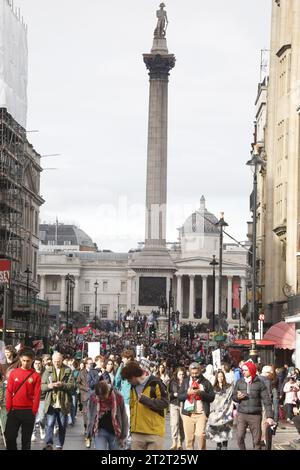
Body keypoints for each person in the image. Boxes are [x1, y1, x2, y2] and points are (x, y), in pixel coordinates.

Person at [121, 359, 169, 450]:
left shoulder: (156, 383)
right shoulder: (133, 386)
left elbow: (165, 403)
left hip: (154, 433)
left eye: (129, 379)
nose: (128, 382)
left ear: (134, 376)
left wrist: (146, 400)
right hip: (137, 433)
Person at [233, 361, 275, 450]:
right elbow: (233, 397)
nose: (243, 372)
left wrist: (269, 416)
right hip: (242, 414)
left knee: (256, 441)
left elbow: (267, 401)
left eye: (245, 370)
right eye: (242, 370)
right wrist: (237, 397)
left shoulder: (260, 383)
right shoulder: (239, 382)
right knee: (239, 437)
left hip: (255, 415)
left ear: (251, 370)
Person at [4, 348, 41, 450]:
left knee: (26, 441)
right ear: (20, 359)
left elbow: (37, 394)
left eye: (28, 361)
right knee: (9, 437)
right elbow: (9, 391)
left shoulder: (36, 376)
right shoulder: (13, 373)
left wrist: (34, 410)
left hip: (28, 411)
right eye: (23, 360)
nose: (25, 363)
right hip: (14, 410)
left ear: (32, 360)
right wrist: (8, 407)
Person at [42, 352, 75, 450]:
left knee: (62, 425)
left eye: (59, 361)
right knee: (50, 423)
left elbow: (72, 385)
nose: (57, 363)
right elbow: (42, 385)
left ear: (62, 360)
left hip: (63, 403)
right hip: (51, 402)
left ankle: (59, 444)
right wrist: (49, 386)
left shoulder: (68, 370)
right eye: (55, 361)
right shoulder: (48, 370)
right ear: (52, 361)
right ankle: (49, 444)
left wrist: (62, 385)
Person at [178, 362, 215, 450]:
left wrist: (201, 393)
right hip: (188, 414)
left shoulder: (206, 382)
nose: (194, 375)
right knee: (189, 439)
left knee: (201, 435)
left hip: (201, 413)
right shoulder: (186, 381)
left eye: (196, 373)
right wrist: (188, 394)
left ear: (200, 371)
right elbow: (180, 397)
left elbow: (212, 397)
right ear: (190, 372)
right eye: (192, 373)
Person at [88, 380, 128, 450]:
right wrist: (89, 432)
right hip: (100, 431)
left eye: (103, 397)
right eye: (99, 397)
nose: (101, 399)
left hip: (115, 432)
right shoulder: (93, 397)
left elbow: (124, 417)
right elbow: (91, 414)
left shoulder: (118, 397)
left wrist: (123, 436)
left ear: (108, 391)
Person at [207, 370, 234, 450]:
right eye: (218, 376)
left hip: (226, 412)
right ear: (216, 377)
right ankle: (218, 445)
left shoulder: (228, 387)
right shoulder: (213, 388)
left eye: (222, 376)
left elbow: (232, 398)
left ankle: (225, 445)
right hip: (216, 413)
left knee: (225, 430)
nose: (220, 378)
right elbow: (211, 400)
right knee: (217, 430)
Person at [114, 350, 135, 449]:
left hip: (129, 398)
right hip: (126, 398)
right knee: (126, 419)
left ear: (129, 358)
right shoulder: (125, 367)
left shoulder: (128, 368)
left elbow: (117, 380)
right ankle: (126, 440)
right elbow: (117, 381)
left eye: (123, 358)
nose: (122, 359)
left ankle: (127, 440)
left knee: (127, 420)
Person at [77, 357, 93, 443]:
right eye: (90, 363)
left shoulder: (94, 372)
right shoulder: (81, 372)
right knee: (86, 413)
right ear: (86, 364)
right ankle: (86, 427)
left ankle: (92, 427)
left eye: (92, 363)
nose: (91, 365)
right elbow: (78, 383)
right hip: (85, 396)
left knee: (92, 413)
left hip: (93, 396)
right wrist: (85, 388)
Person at [169, 367, 185, 450]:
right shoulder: (173, 381)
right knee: (174, 424)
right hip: (174, 404)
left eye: (182, 374)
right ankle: (174, 442)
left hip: (184, 404)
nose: (181, 376)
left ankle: (180, 442)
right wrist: (173, 394)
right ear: (177, 374)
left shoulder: (186, 381)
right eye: (180, 374)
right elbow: (169, 393)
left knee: (182, 425)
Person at [31, 357, 46, 442]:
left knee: (42, 417)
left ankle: (42, 428)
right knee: (32, 417)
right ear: (33, 364)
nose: (37, 365)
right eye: (36, 363)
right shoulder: (31, 373)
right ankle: (33, 433)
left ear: (42, 364)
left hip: (42, 398)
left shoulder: (45, 373)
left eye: (39, 363)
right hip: (32, 398)